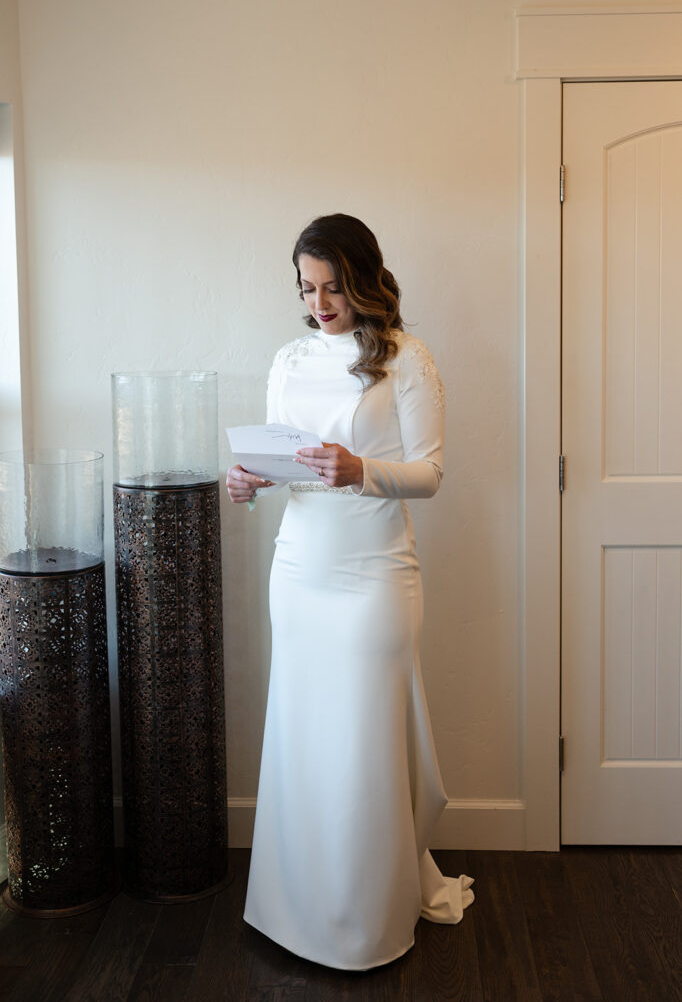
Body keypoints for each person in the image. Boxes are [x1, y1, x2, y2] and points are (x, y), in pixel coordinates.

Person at [227, 213, 474, 971]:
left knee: (362, 747)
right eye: (307, 287)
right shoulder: (289, 359)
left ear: (363, 279)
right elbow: (280, 457)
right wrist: (250, 479)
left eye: (333, 286)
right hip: (299, 570)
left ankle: (365, 924)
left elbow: (429, 475)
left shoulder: (405, 358)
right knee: (304, 739)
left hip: (373, 576)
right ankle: (291, 911)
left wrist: (360, 469)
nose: (320, 301)